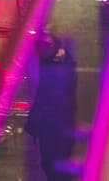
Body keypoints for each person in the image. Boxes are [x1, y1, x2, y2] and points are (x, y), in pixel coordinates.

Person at [27, 32, 77, 181]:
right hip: (54, 125)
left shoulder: (55, 68)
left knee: (52, 165)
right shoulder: (54, 61)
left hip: (54, 126)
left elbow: (44, 97)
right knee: (52, 165)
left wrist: (34, 123)